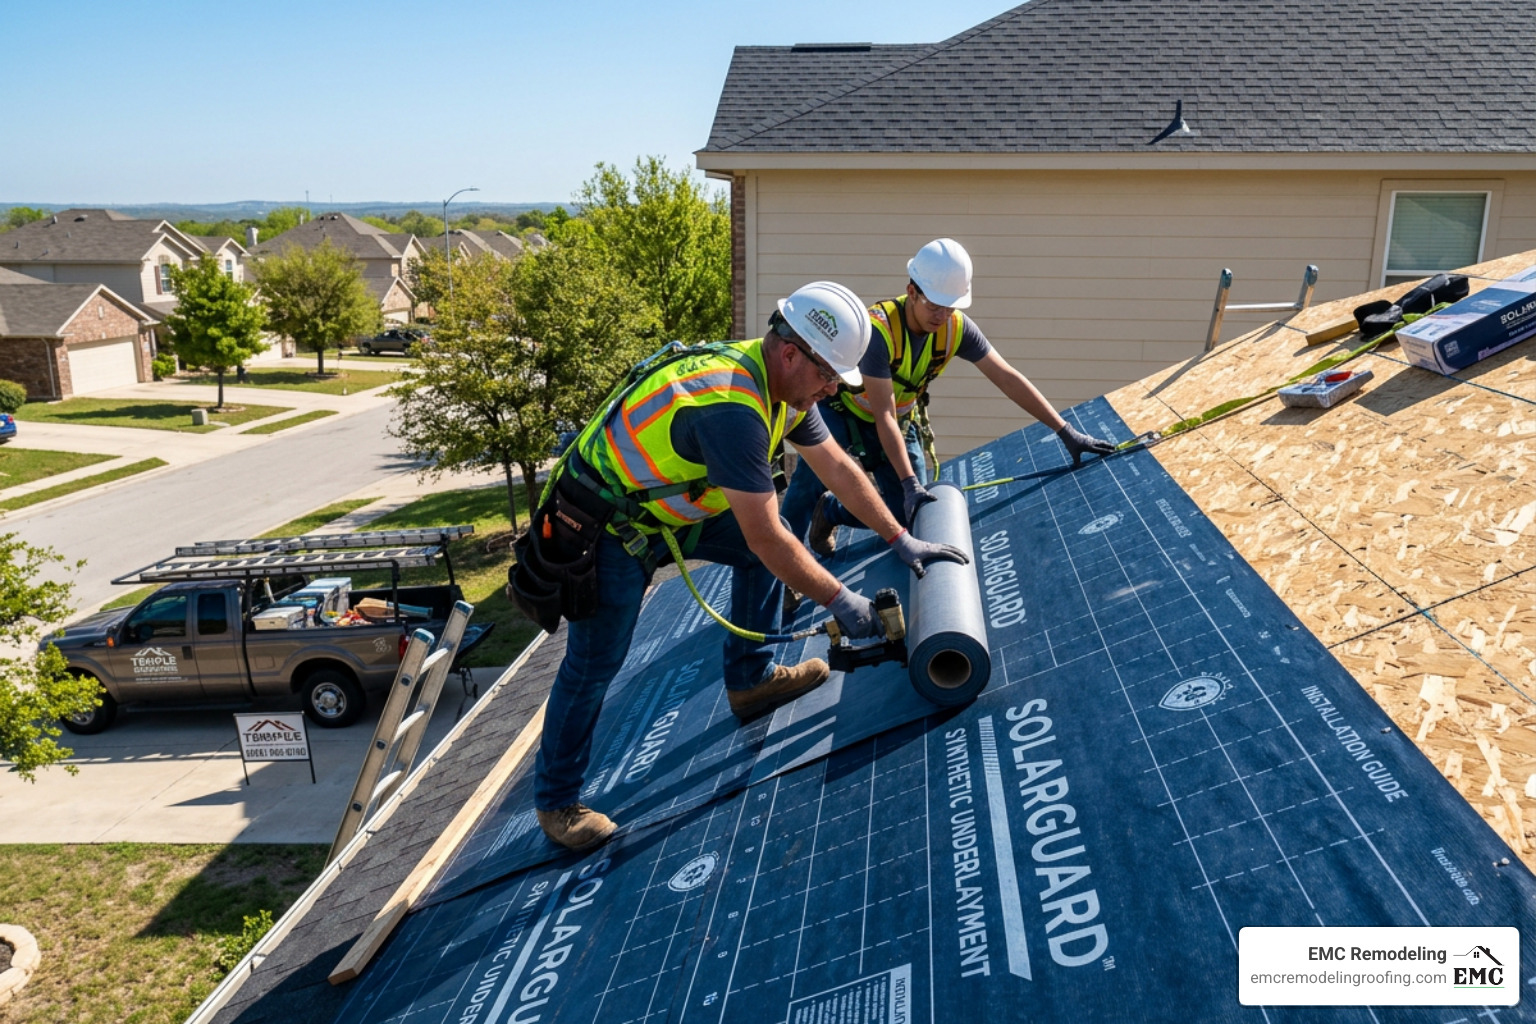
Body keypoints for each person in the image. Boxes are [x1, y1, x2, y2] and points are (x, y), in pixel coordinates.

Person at [522, 281, 968, 852]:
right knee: (596, 662)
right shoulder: (732, 407)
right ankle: (557, 801)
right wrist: (840, 600)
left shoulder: (785, 389)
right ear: (790, 352)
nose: (833, 390)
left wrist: (901, 537)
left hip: (671, 506)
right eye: (830, 376)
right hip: (611, 523)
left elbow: (836, 467)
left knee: (772, 543)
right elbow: (764, 537)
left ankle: (750, 680)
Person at [780, 238, 1117, 559]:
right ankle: (780, 574)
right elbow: (882, 413)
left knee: (908, 514)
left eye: (950, 307)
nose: (942, 316)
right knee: (807, 483)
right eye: (934, 305)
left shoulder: (956, 328)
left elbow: (1007, 377)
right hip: (846, 411)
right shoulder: (879, 332)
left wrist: (1065, 431)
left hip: (899, 419)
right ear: (912, 291)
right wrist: (909, 481)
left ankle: (832, 511)